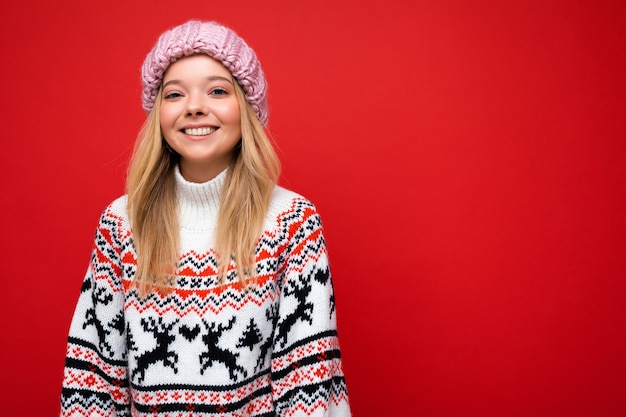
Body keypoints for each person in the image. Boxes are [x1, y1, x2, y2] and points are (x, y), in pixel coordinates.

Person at [59, 20, 351, 417]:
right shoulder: (122, 224)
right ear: (159, 113)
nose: (194, 106)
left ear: (246, 108)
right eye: (175, 93)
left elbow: (309, 384)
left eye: (217, 90)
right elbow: (92, 381)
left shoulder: (292, 223)